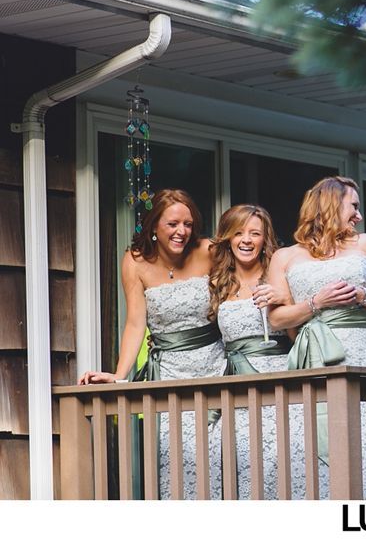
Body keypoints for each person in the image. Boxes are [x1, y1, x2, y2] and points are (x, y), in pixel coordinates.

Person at [79, 188, 224, 500]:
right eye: (173, 224)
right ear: (154, 226)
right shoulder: (134, 261)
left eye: (187, 224)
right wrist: (119, 375)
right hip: (169, 374)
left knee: (220, 453)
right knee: (178, 458)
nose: (181, 231)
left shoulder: (208, 250)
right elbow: (135, 322)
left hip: (216, 367)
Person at [267, 176, 366, 498]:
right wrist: (316, 303)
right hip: (313, 357)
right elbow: (277, 318)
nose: (359, 216)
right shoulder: (285, 256)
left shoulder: (365, 244)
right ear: (330, 204)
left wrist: (363, 294)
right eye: (353, 206)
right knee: (312, 441)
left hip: (363, 351)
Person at [210, 203, 325, 499]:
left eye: (255, 233)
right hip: (236, 385)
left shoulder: (278, 276)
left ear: (265, 239)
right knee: (243, 462)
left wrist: (284, 298)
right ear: (227, 238)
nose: (246, 240)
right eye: (238, 233)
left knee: (283, 460)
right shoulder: (218, 281)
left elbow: (297, 334)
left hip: (278, 380)